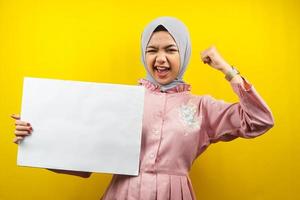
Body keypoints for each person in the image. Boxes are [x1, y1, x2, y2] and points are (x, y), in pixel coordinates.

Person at [11, 16, 274, 199]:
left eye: (171, 49)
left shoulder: (202, 107)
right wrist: (38, 136)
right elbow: (85, 161)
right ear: (143, 54)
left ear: (184, 53)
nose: (160, 58)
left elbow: (260, 120)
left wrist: (227, 70)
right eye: (152, 50)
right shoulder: (122, 101)